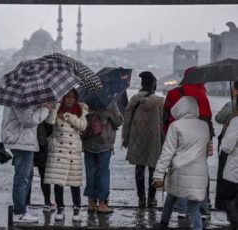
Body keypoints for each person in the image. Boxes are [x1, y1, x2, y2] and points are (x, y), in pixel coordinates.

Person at [163, 67, 214, 218]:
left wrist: (168, 135)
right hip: (198, 140)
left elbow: (165, 117)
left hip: (177, 138)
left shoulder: (173, 93)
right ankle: (202, 208)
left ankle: (181, 208)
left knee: (178, 172)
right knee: (200, 173)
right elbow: (207, 119)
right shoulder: (201, 94)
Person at [154, 96, 210, 230]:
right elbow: (206, 151)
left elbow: (167, 152)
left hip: (179, 172)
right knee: (194, 206)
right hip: (199, 173)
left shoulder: (175, 126)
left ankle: (163, 223)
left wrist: (158, 174)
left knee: (171, 197)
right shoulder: (204, 126)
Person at [1, 103, 52, 223]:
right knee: (22, 178)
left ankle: (22, 208)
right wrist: (45, 109)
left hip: (24, 141)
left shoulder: (21, 98)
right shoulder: (21, 100)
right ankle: (19, 212)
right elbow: (28, 120)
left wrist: (40, 107)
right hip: (22, 142)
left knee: (26, 177)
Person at [43, 89, 88, 221]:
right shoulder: (57, 109)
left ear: (76, 98)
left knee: (74, 183)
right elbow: (49, 122)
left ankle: (76, 209)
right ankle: (60, 208)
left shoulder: (81, 109)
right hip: (58, 149)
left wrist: (68, 116)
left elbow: (83, 126)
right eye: (67, 97)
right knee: (58, 182)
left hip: (73, 150)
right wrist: (55, 107)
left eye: (72, 97)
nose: (69, 99)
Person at [122, 71, 164, 208]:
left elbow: (127, 120)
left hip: (137, 138)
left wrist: (125, 138)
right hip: (154, 140)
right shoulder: (159, 101)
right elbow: (163, 123)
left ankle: (141, 198)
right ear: (153, 85)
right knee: (153, 169)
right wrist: (164, 141)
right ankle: (151, 199)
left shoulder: (135, 99)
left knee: (139, 168)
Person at [82, 97, 123, 214]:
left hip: (88, 142)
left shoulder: (86, 100)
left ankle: (90, 203)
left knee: (90, 172)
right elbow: (118, 121)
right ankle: (101, 204)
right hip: (104, 144)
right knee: (103, 173)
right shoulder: (109, 100)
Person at [215, 81, 238, 210]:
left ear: (235, 90)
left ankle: (222, 204)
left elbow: (218, 118)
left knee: (224, 173)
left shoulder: (231, 105)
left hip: (229, 145)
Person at [26, 122, 55, 212]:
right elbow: (49, 127)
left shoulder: (24, 108)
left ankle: (26, 202)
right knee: (44, 175)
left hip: (28, 142)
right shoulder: (43, 109)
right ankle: (47, 202)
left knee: (26, 175)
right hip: (40, 141)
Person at [220, 102, 238, 228]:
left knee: (226, 198)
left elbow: (226, 147)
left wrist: (228, 128)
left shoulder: (236, 121)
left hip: (235, 171)